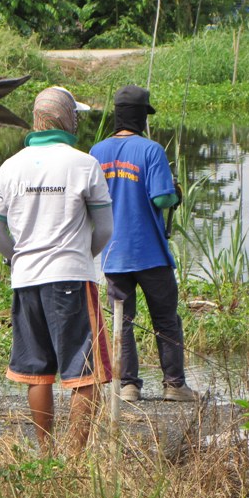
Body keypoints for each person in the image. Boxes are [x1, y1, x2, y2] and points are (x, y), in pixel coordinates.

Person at [0, 86, 114, 455]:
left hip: (26, 280)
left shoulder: (11, 166)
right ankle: (74, 456)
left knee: (36, 369)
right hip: (72, 277)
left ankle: (46, 453)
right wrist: (81, 256)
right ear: (66, 118)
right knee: (84, 370)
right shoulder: (83, 163)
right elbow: (105, 227)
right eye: (76, 114)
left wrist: (16, 258)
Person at [88, 85, 197, 403]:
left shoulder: (97, 152)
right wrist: (176, 193)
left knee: (123, 321)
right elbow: (161, 197)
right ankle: (174, 386)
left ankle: (128, 386)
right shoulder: (151, 151)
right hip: (150, 253)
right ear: (141, 118)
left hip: (112, 255)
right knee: (165, 319)